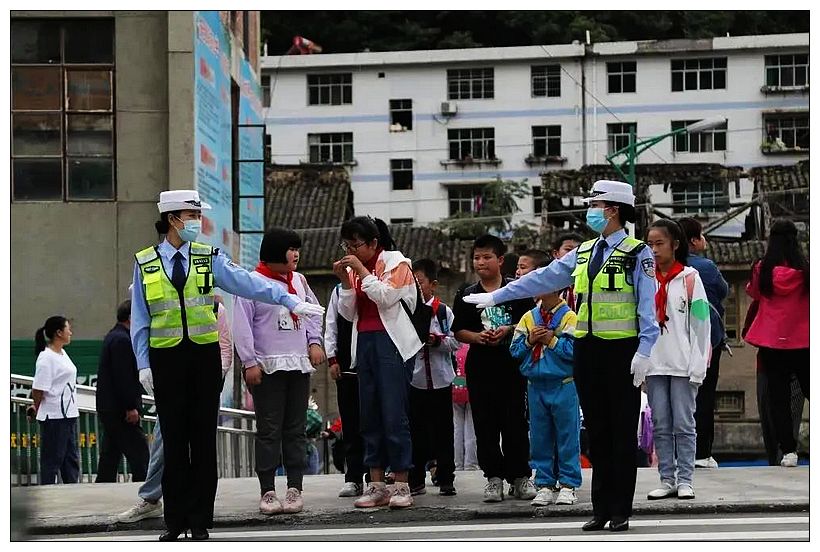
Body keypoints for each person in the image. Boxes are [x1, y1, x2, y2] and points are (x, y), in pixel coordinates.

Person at [463, 180, 659, 532]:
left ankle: (620, 509)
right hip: (587, 348)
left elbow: (647, 307)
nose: (590, 211)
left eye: (595, 205)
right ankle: (601, 509)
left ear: (612, 210)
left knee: (620, 431)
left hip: (622, 350)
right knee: (597, 431)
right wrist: (498, 296)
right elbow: (544, 277)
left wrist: (645, 351)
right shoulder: (584, 252)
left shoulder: (637, 253)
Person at [131, 190, 324, 541]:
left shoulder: (209, 257)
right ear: (173, 219)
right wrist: (143, 363)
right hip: (166, 359)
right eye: (191, 215)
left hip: (203, 358)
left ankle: (200, 520)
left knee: (203, 440)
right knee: (174, 442)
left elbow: (248, 283)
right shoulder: (145, 261)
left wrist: (287, 299)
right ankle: (175, 521)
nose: (196, 222)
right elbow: (140, 319)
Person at [233, 227, 325, 515]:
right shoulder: (252, 283)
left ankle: (295, 488)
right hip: (267, 366)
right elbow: (242, 324)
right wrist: (249, 362)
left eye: (297, 249)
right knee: (269, 430)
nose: (296, 254)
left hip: (297, 364)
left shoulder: (299, 280)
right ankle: (268, 490)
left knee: (296, 429)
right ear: (274, 252)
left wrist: (314, 341)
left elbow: (313, 312)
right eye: (290, 249)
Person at [116, 299, 233, 524]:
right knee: (165, 445)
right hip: (173, 386)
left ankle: (195, 511)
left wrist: (212, 382)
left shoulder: (215, 309)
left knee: (200, 449)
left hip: (203, 388)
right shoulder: (164, 305)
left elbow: (225, 349)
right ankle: (154, 500)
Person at [333, 216, 423, 509]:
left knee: (393, 414)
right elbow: (348, 313)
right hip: (365, 341)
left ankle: (401, 483)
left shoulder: (397, 263)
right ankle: (376, 484)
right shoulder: (355, 270)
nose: (351, 251)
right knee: (369, 415)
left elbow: (386, 297)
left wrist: (361, 271)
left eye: (355, 245)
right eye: (347, 246)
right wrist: (346, 282)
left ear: (373, 243)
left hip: (391, 343)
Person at [452, 234, 536, 504]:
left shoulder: (517, 290)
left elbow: (529, 322)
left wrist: (508, 329)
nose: (481, 262)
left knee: (515, 423)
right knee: (485, 425)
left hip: (512, 366)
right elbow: (458, 330)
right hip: (480, 367)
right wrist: (477, 337)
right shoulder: (467, 294)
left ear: (500, 260)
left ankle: (520, 476)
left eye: (487, 257)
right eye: (477, 257)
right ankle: (493, 478)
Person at [643, 220, 711, 501]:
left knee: (684, 424)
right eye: (650, 244)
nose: (654, 250)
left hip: (683, 364)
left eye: (659, 243)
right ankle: (666, 478)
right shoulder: (644, 279)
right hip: (654, 363)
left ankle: (685, 479)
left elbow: (701, 324)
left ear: (675, 245)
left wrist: (698, 364)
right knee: (660, 423)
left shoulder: (690, 278)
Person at [744, 219, 809, 468]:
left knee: (778, 399)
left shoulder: (762, 270)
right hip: (803, 341)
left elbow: (754, 294)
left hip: (771, 342)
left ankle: (789, 452)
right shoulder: (807, 272)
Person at [510, 288, 581, 507]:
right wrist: (530, 340)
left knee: (568, 437)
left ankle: (568, 485)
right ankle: (544, 484)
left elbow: (575, 351)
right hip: (535, 385)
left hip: (563, 384)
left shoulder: (569, 316)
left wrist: (552, 340)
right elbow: (514, 351)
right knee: (540, 438)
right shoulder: (529, 317)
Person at [677, 217, 728, 469]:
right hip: (707, 340)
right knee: (705, 396)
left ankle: (678, 453)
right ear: (694, 241)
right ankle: (702, 453)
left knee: (677, 396)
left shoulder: (668, 267)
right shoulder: (706, 267)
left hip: (675, 341)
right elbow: (723, 291)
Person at [408, 259, 459, 497]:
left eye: (420, 282)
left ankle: (446, 477)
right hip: (415, 381)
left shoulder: (443, 311)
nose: (416, 288)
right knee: (416, 432)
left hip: (441, 380)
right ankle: (416, 479)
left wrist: (436, 340)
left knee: (444, 432)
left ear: (433, 284)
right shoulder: (407, 311)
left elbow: (456, 341)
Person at [95, 300, 149, 483]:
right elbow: (123, 376)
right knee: (139, 452)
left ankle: (103, 486)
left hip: (111, 407)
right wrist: (130, 406)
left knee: (110, 455)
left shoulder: (114, 336)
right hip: (120, 410)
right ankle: (144, 488)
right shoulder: (122, 340)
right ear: (131, 317)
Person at [325, 282, 369, 497]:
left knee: (376, 422)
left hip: (374, 364)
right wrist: (332, 358)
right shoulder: (339, 289)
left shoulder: (377, 281)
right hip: (347, 367)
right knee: (351, 424)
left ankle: (376, 476)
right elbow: (331, 324)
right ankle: (353, 477)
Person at [30, 316, 80, 485]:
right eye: (68, 329)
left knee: (70, 459)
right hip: (54, 416)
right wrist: (36, 407)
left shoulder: (62, 353)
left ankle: (71, 491)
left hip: (68, 414)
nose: (70, 332)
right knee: (52, 459)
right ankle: (47, 493)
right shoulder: (46, 357)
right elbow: (38, 388)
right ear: (59, 333)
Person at [452, 343, 478, 471]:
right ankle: (471, 463)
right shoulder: (473, 348)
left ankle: (457, 463)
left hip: (455, 390)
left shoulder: (454, 348)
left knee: (456, 428)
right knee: (471, 428)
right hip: (472, 389)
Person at [552, 233, 584, 311]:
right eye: (568, 250)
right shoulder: (549, 281)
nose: (573, 254)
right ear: (556, 254)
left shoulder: (587, 279)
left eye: (578, 250)